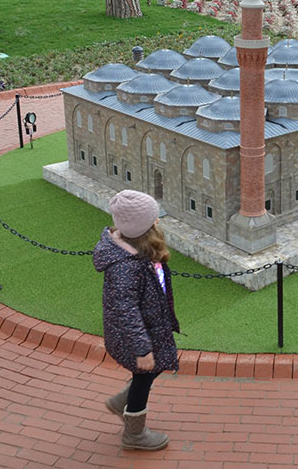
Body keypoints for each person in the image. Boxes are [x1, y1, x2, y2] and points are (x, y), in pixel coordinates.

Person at [93, 190, 179, 451]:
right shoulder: (125, 266)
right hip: (138, 335)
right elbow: (126, 310)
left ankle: (122, 401)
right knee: (144, 375)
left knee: (154, 368)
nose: (157, 221)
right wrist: (142, 348)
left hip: (152, 326)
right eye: (153, 218)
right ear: (144, 225)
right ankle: (134, 434)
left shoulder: (140, 251)